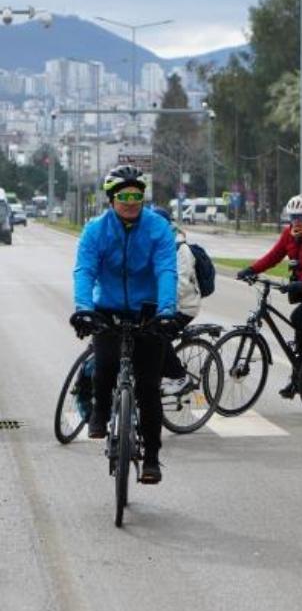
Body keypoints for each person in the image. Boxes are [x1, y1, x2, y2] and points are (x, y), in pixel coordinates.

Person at [70, 165, 178, 484]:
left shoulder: (158, 228)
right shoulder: (95, 230)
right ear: (111, 199)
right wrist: (83, 308)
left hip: (148, 312)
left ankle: (153, 460)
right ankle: (100, 414)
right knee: (104, 363)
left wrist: (168, 310)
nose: (131, 202)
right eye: (124, 196)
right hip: (109, 310)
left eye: (137, 195)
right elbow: (84, 271)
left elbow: (166, 270)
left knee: (147, 387)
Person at [237, 194, 302, 398]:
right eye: (293, 217)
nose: (296, 222)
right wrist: (251, 269)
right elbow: (273, 256)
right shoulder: (289, 234)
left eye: (301, 218)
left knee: (298, 318)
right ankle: (297, 382)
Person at [154, 207, 201, 395]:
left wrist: (161, 303)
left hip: (184, 307)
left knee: (158, 336)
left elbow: (180, 285)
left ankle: (180, 376)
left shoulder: (181, 249)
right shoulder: (156, 245)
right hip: (163, 305)